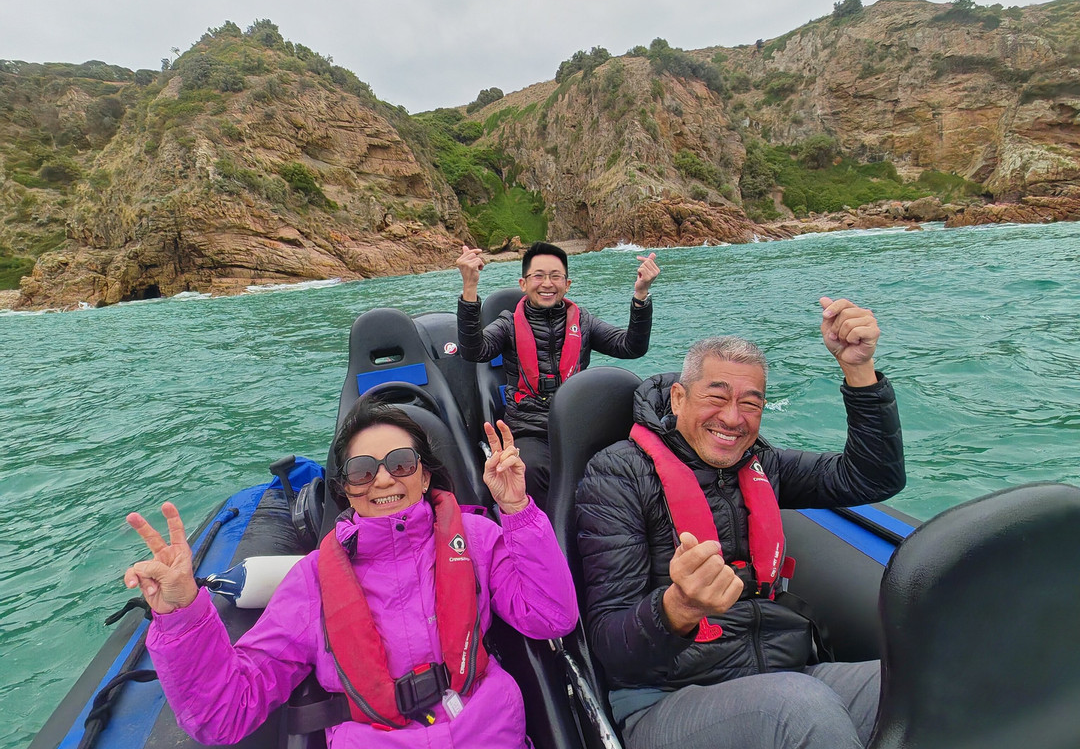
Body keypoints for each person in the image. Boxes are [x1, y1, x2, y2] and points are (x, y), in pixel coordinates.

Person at [124, 401, 578, 748]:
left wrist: (517, 510)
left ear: (424, 476)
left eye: (400, 463)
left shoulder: (475, 538)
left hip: (488, 732)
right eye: (363, 471)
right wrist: (182, 614)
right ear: (346, 490)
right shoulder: (313, 581)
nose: (382, 481)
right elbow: (226, 713)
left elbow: (551, 617)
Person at [575, 297, 906, 749]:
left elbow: (874, 476)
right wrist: (678, 608)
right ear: (678, 398)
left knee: (922, 680)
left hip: (785, 675)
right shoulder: (618, 476)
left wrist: (859, 370)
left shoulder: (762, 465)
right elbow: (611, 644)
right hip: (667, 699)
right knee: (801, 708)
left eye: (751, 404)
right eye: (717, 398)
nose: (733, 418)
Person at [457, 240, 660, 508]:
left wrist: (641, 295)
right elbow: (474, 351)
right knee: (529, 470)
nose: (547, 283)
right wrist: (469, 288)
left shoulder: (584, 322)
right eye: (538, 276)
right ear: (523, 283)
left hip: (579, 425)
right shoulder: (508, 324)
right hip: (530, 430)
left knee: (627, 466)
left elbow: (631, 347)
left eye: (555, 276)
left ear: (567, 284)